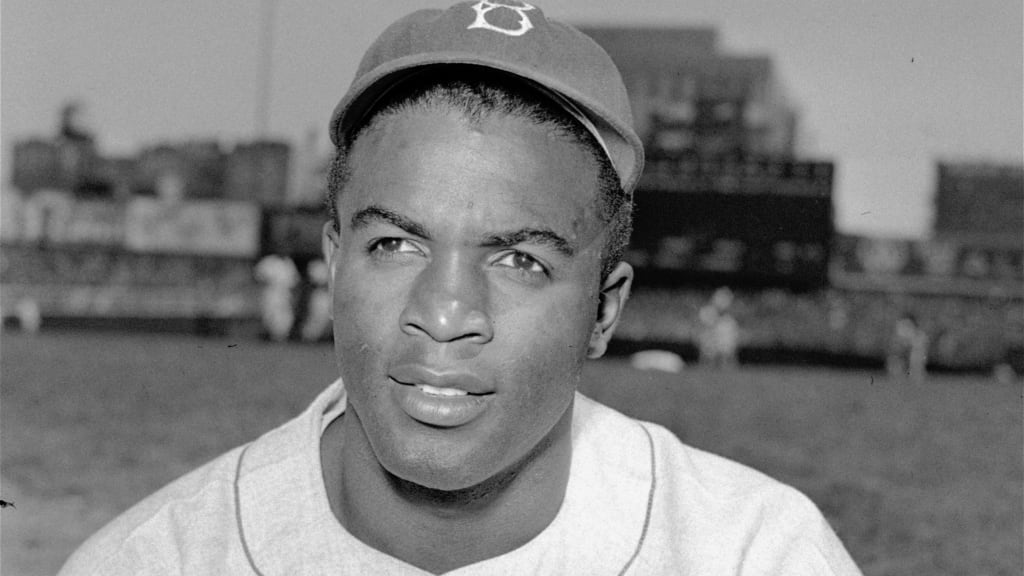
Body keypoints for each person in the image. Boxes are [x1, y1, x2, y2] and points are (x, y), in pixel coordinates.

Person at [59, 3, 862, 574]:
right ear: (333, 263)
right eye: (396, 245)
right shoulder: (155, 559)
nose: (444, 315)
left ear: (604, 309)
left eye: (520, 261)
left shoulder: (757, 554)